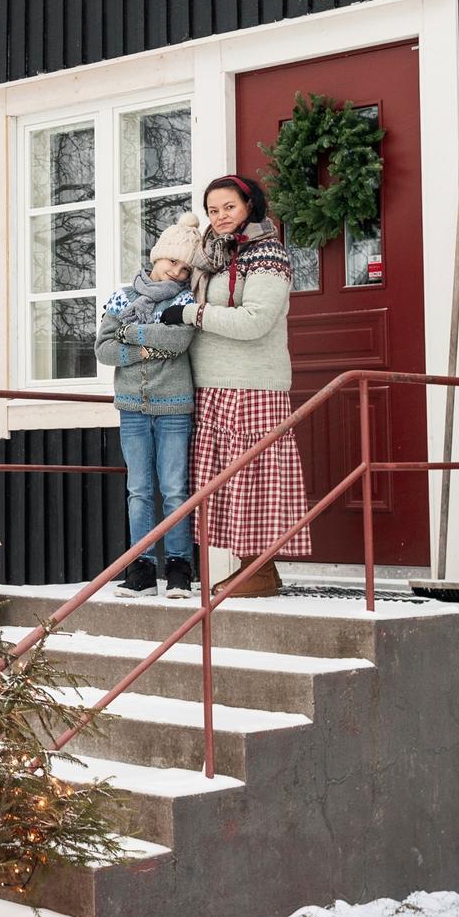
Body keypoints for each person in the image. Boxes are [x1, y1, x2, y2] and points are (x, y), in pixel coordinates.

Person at [157, 172, 311, 598]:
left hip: (250, 385)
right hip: (210, 384)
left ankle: (257, 569)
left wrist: (192, 315)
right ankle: (259, 570)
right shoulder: (210, 254)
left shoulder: (268, 255)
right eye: (212, 210)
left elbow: (255, 321)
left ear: (249, 207)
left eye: (229, 207)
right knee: (226, 482)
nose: (221, 216)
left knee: (252, 480)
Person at [96, 210, 203, 595]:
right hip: (131, 407)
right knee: (139, 489)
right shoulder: (120, 297)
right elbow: (104, 349)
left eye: (185, 267)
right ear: (158, 256)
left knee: (174, 488)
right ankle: (140, 568)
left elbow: (178, 342)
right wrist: (143, 352)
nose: (177, 272)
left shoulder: (187, 299)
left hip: (174, 406)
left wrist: (131, 332)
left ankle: (178, 567)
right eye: (173, 261)